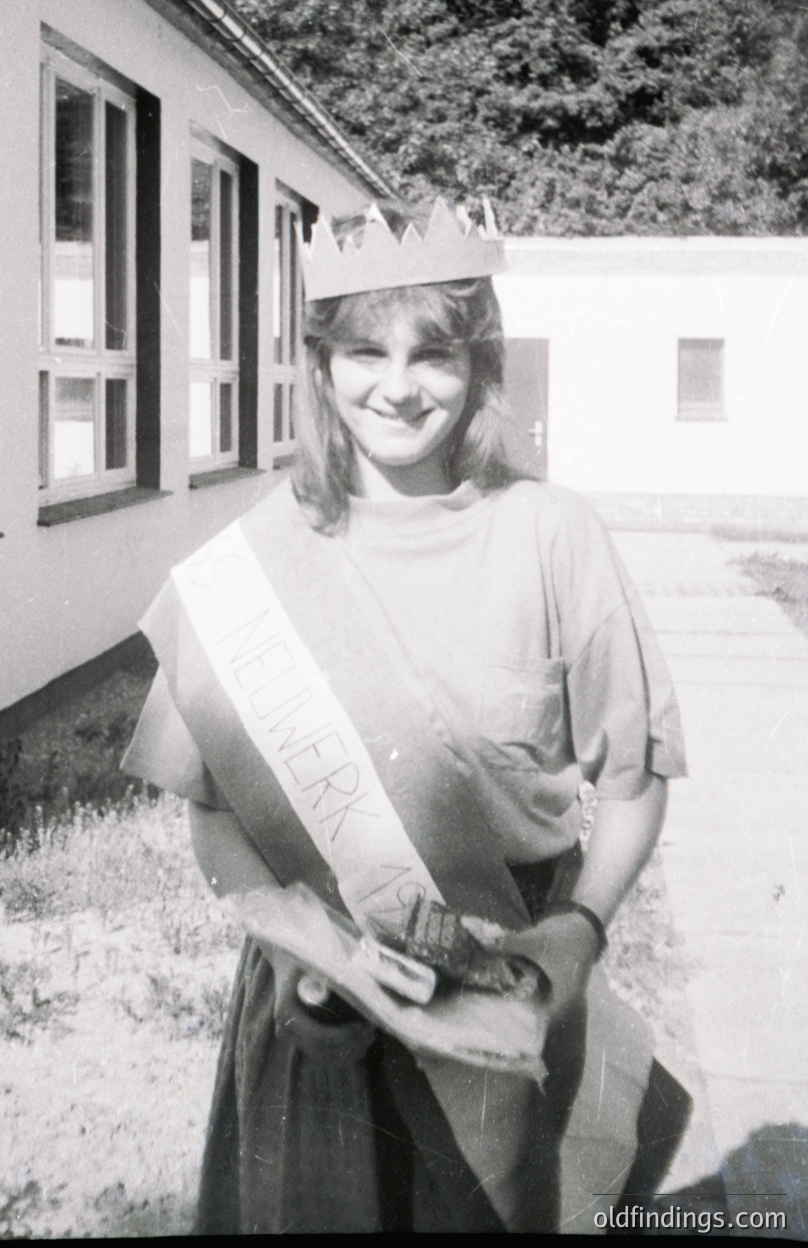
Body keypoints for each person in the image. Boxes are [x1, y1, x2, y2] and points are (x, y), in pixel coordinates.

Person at [122, 198, 688, 1234]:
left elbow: (632, 779)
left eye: (433, 353)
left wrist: (576, 935)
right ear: (320, 368)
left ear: (479, 367)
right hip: (316, 1017)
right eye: (363, 352)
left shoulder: (552, 534)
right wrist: (304, 949)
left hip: (504, 1001)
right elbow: (212, 818)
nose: (396, 385)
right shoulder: (249, 562)